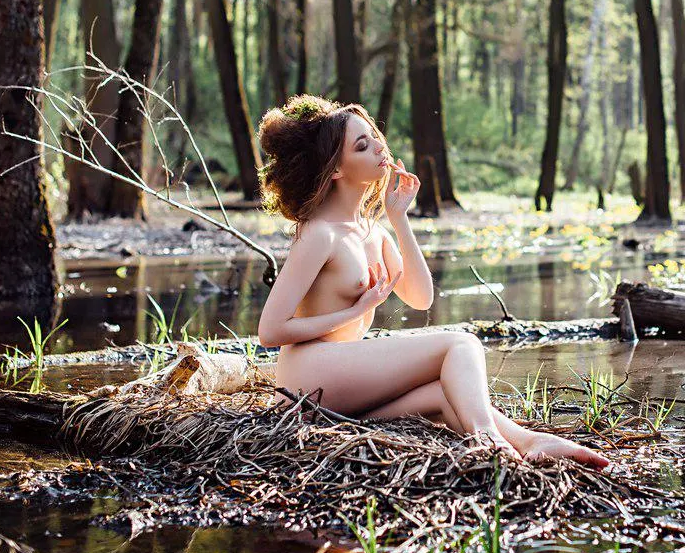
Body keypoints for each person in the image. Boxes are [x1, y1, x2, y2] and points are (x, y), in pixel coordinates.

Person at [256, 93, 611, 470]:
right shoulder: (319, 234)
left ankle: (531, 441)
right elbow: (270, 330)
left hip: (338, 388)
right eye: (363, 145)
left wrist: (399, 218)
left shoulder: (371, 232)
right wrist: (355, 312)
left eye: (375, 136)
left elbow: (421, 297)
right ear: (337, 170)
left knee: (445, 392)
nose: (379, 146)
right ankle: (489, 443)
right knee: (461, 344)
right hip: (307, 379)